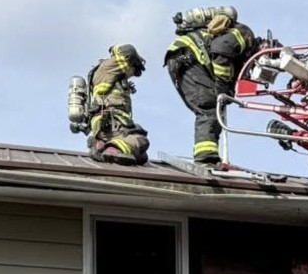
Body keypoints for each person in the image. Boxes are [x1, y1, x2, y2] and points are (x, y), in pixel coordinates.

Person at [164, 9, 267, 165]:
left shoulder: (242, 50)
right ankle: (206, 156)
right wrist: (221, 84)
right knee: (209, 108)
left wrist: (226, 89)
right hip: (189, 55)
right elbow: (221, 50)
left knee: (208, 107)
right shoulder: (246, 34)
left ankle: (207, 153)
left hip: (182, 57)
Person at [86, 44, 150, 166]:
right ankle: (112, 149)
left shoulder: (111, 77)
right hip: (111, 122)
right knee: (142, 140)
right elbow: (127, 51)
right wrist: (117, 49)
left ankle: (100, 145)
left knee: (142, 157)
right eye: (133, 68)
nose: (131, 73)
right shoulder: (107, 68)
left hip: (108, 124)